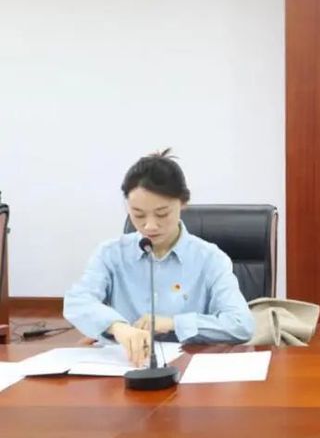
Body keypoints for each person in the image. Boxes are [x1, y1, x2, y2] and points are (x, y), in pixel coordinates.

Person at [64, 150, 255, 366]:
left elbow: (241, 325)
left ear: (183, 202)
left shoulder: (210, 259)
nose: (150, 226)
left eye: (162, 214)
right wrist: (117, 327)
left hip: (188, 369)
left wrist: (173, 323)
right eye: (138, 214)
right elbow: (77, 302)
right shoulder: (111, 253)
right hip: (125, 367)